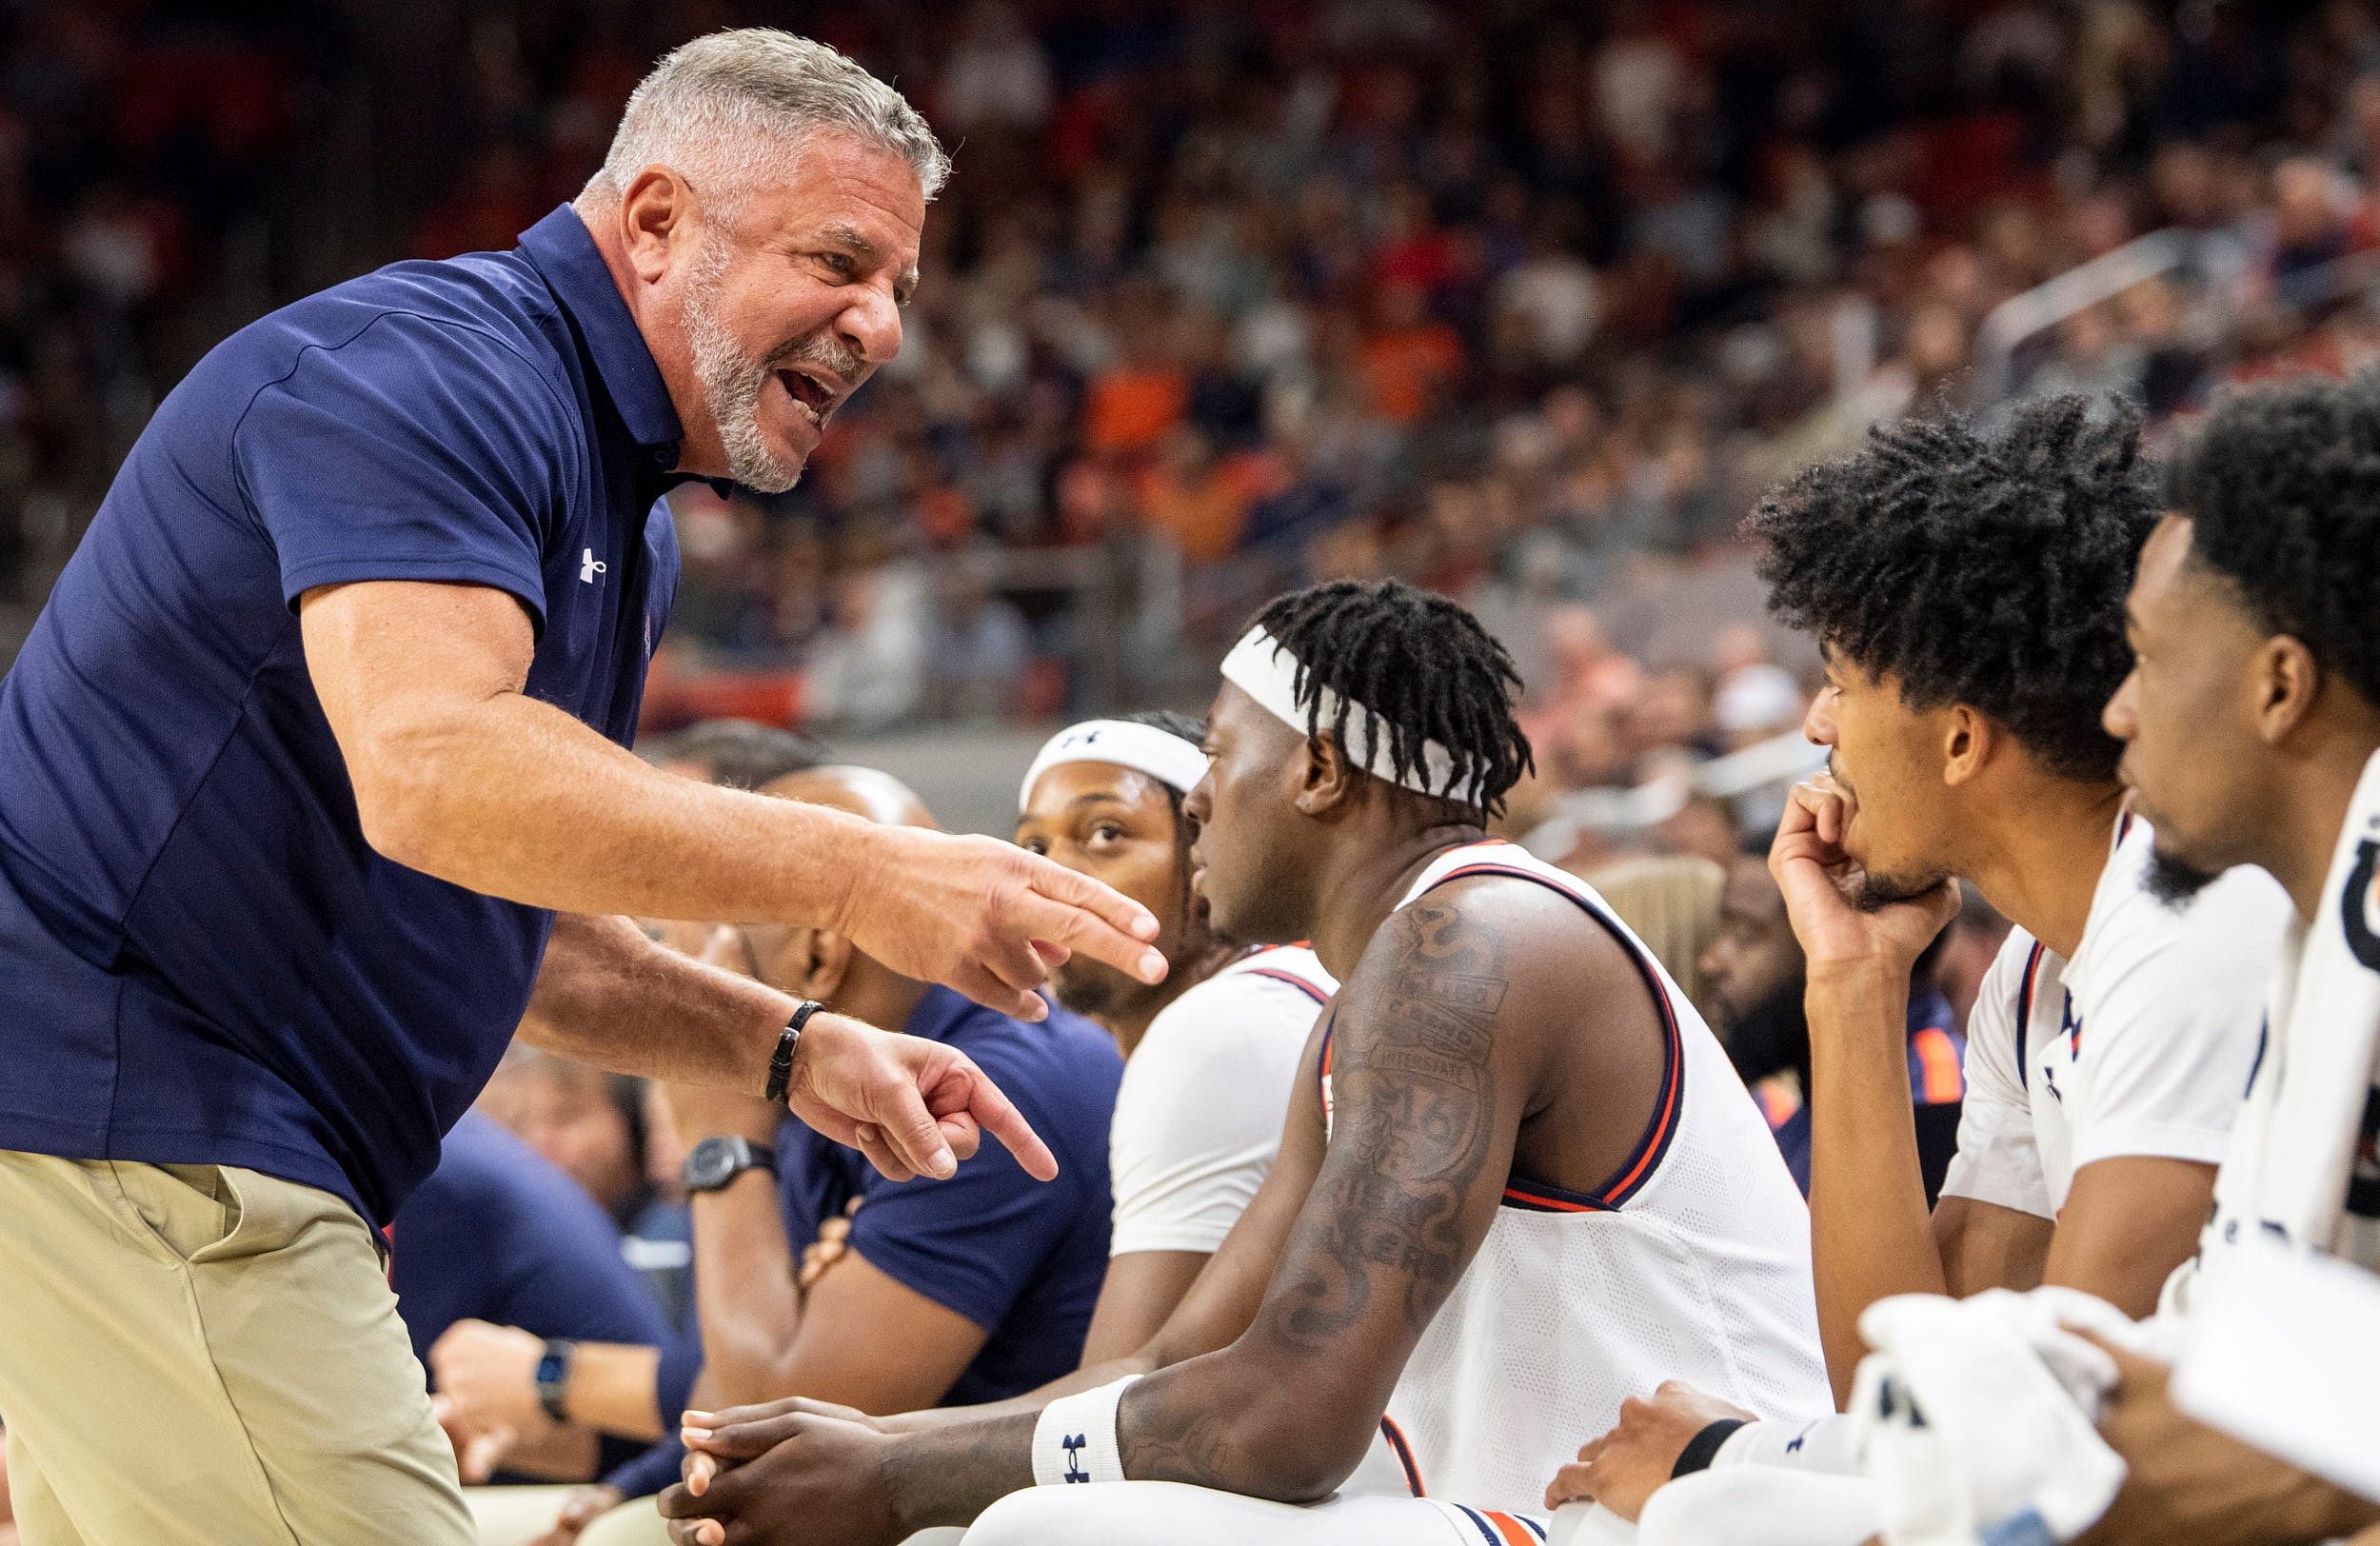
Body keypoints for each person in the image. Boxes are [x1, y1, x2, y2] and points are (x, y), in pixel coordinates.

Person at [0, 31, 1166, 1546]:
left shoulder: (626, 504)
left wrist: (784, 1046)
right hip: (143, 1119)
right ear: (661, 221)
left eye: (899, 289)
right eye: (840, 259)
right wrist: (864, 872)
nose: (879, 326)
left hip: (166, 1138)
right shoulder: (434, 372)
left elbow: (503, 912)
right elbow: (435, 769)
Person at [658, 579, 1828, 1546]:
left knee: (1037, 1532)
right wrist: (876, 1447)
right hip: (1568, 1509)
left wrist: (899, 1478)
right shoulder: (1367, 1000)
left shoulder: (1475, 942)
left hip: (1716, 1510)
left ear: (1320, 772)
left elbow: (1288, 1417)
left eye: (1221, 750)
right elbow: (1174, 1361)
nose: (1206, 794)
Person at [1546, 396, 2290, 1523]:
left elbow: (2046, 1453)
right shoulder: (2034, 978)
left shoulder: (2190, 923)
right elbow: (1896, 1377)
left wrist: (1720, 1470)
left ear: (1957, 737)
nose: (1817, 725)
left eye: (1840, 677)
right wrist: (1850, 983)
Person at [484, 765, 1127, 1546]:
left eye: (696, 932)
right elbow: (732, 1370)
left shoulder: (996, 1084)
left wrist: (720, 1137)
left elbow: (769, 1410)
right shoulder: (832, 1075)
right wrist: (634, 1483)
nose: (675, 959)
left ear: (819, 956)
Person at [2081, 370, 2380, 1544]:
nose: (2117, 709)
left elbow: (2283, 1444)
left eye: (2145, 658)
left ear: (2277, 685)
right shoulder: (2313, 934)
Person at [1013, 712, 1338, 1361]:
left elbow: (1122, 1409)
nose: (1051, 879)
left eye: (1106, 834)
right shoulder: (1282, 983)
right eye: (1036, 847)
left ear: (1206, 861)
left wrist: (875, 1454)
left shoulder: (1213, 1034)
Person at [393, 1112, 690, 1487]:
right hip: (632, 1460)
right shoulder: (441, 1151)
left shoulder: (435, 1172)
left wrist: (546, 1375)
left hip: (650, 1462)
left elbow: (713, 1406)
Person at [1698, 852, 1965, 1202]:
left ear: (1845, 935)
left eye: (1746, 933)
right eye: (1722, 930)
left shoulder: (1936, 1100)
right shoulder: (1796, 1098)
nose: (1711, 961)